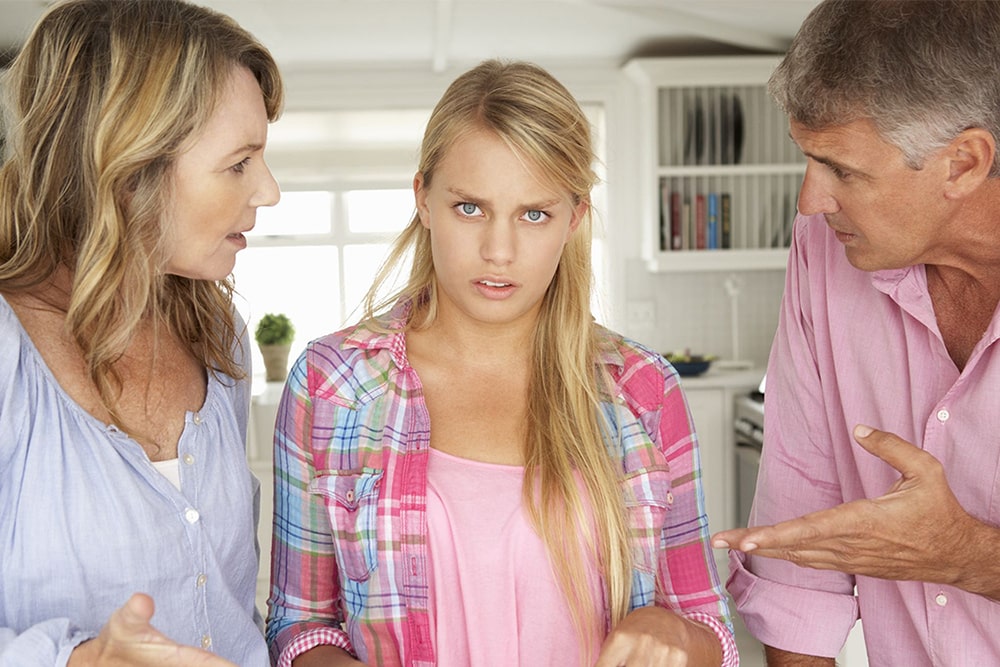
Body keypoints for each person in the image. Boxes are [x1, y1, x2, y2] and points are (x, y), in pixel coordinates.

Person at [265, 59, 738, 667]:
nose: (498, 250)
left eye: (533, 214)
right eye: (470, 208)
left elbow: (708, 624)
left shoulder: (643, 391)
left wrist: (676, 635)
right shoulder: (330, 383)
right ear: (423, 200)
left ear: (574, 220)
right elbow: (298, 623)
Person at [709, 1, 1000, 665]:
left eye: (842, 169)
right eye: (809, 160)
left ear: (963, 162)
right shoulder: (825, 250)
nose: (811, 200)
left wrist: (966, 556)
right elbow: (799, 559)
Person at [0, 0, 282, 665]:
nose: (267, 190)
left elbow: (230, 603)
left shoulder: (220, 335)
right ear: (128, 171)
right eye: (239, 163)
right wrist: (77, 659)